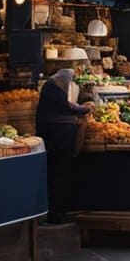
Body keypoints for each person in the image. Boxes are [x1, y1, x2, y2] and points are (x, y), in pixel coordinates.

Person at [35, 68, 91, 225]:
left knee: (58, 174)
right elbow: (66, 107)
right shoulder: (53, 88)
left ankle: (58, 212)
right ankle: (56, 215)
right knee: (58, 174)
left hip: (56, 137)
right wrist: (84, 109)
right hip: (57, 138)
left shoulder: (54, 87)